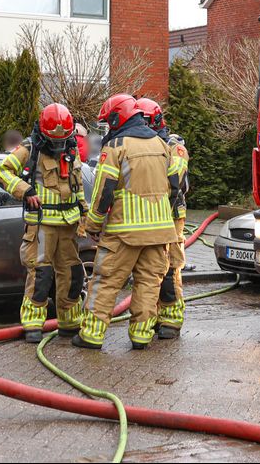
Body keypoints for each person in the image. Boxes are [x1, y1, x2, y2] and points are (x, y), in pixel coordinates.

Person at [75, 94, 179, 351]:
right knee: (148, 283)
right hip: (160, 232)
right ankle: (142, 336)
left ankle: (91, 335)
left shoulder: (116, 147)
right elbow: (176, 186)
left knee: (106, 280)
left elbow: (103, 192)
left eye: (108, 122)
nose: (107, 128)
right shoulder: (161, 144)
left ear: (117, 117)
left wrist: (93, 226)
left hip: (124, 232)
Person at [0, 103, 86, 343]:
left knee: (72, 274)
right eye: (54, 140)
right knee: (41, 274)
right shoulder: (29, 148)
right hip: (42, 224)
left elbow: (76, 186)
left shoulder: (71, 148)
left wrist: (85, 214)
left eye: (63, 139)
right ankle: (33, 324)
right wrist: (25, 191)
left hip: (69, 225)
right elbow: (2, 172)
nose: (58, 145)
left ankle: (70, 322)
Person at [136, 97, 189, 339]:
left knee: (170, 269)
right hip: (149, 219)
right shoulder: (141, 144)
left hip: (171, 216)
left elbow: (176, 177)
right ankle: (153, 315)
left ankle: (172, 319)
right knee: (151, 269)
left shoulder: (173, 145)